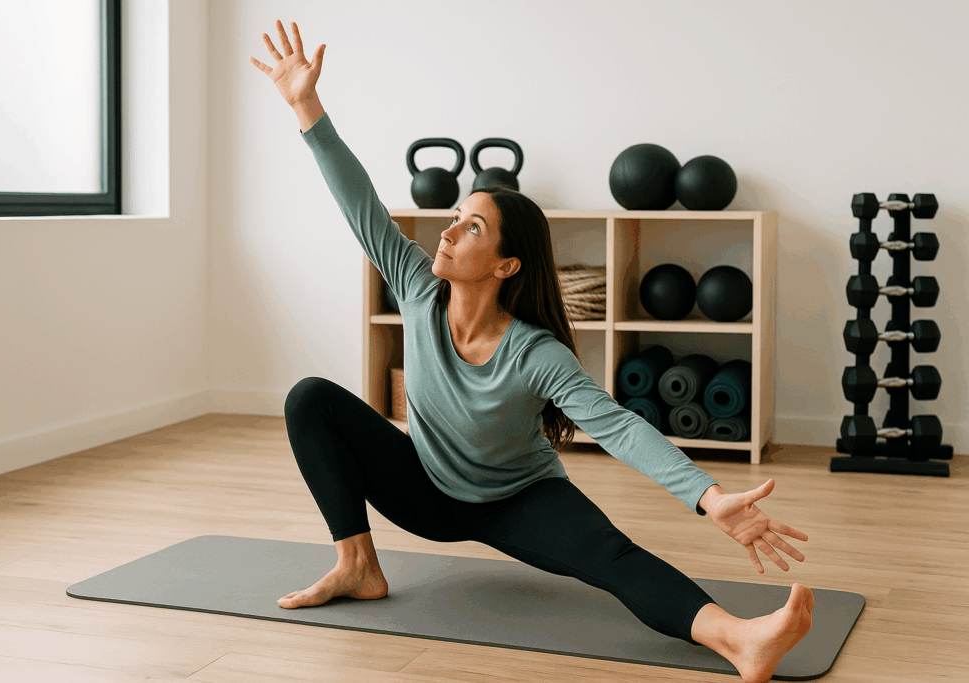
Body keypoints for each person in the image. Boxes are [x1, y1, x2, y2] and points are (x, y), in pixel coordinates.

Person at [251, 20, 814, 683]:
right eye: (456, 216)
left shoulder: (535, 353)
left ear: (507, 264)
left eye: (473, 226)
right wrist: (305, 107)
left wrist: (708, 495)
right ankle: (357, 563)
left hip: (519, 499)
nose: (451, 229)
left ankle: (742, 639)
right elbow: (358, 200)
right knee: (310, 398)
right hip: (425, 487)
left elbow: (620, 427)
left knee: (611, 553)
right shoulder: (413, 286)